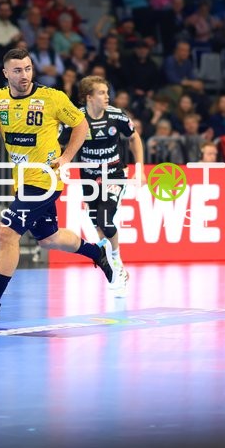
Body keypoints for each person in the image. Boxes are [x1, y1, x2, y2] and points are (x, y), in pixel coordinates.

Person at [0, 48, 116, 321]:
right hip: (22, 179)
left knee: (7, 232)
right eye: (17, 70)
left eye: (28, 69)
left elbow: (80, 125)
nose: (24, 75)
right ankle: (97, 251)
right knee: (48, 238)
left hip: (44, 179)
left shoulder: (51, 98)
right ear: (5, 73)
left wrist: (66, 156)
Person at [60, 75, 145, 297]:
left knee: (106, 219)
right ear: (88, 97)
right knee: (97, 224)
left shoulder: (116, 115)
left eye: (107, 92)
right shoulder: (76, 119)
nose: (107, 96)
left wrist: (141, 168)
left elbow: (134, 138)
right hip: (88, 176)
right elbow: (59, 142)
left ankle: (116, 261)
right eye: (101, 93)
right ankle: (114, 267)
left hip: (114, 173)